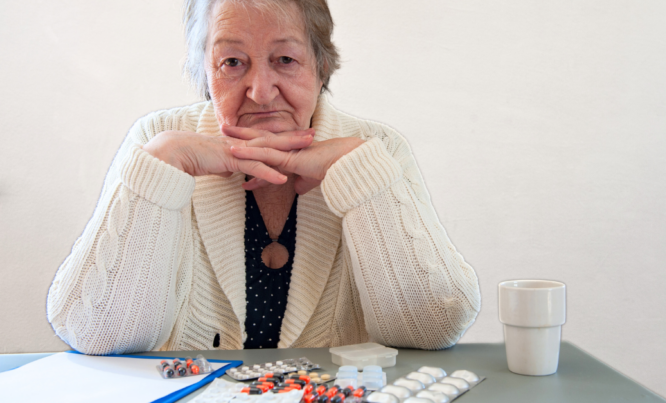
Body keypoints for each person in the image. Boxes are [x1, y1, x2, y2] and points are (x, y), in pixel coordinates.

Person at [46, 0, 481, 355]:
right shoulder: (157, 142)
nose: (260, 90)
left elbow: (433, 327)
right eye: (232, 62)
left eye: (285, 59)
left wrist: (358, 172)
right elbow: (95, 333)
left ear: (322, 66)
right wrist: (162, 165)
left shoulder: (375, 148)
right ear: (205, 71)